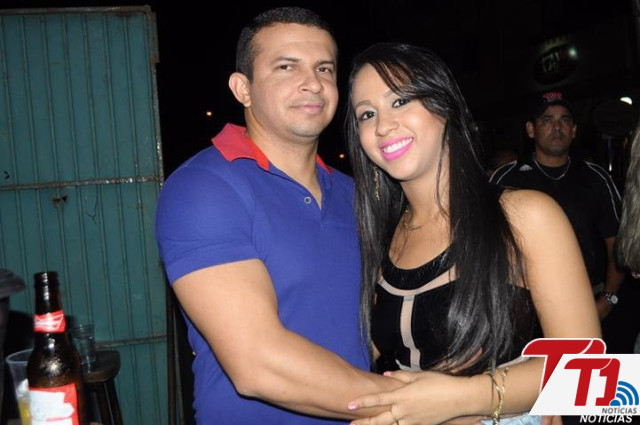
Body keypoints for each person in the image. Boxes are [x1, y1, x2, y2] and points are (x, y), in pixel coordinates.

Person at [154, 7, 400, 425]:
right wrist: (420, 403)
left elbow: (373, 326)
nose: (313, 82)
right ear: (243, 89)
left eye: (324, 68)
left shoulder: (355, 194)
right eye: (287, 66)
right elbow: (258, 362)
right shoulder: (204, 187)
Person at [342, 42, 600, 425]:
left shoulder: (524, 216)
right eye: (367, 114)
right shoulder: (378, 235)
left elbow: (589, 371)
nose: (382, 126)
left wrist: (461, 397)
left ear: (444, 106)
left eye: (400, 101)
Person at [489, 91, 625, 321]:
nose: (557, 127)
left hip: (585, 301)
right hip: (521, 308)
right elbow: (484, 242)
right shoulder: (507, 178)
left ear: (574, 130)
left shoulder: (595, 178)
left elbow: (618, 244)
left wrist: (608, 300)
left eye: (565, 119)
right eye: (547, 120)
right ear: (531, 130)